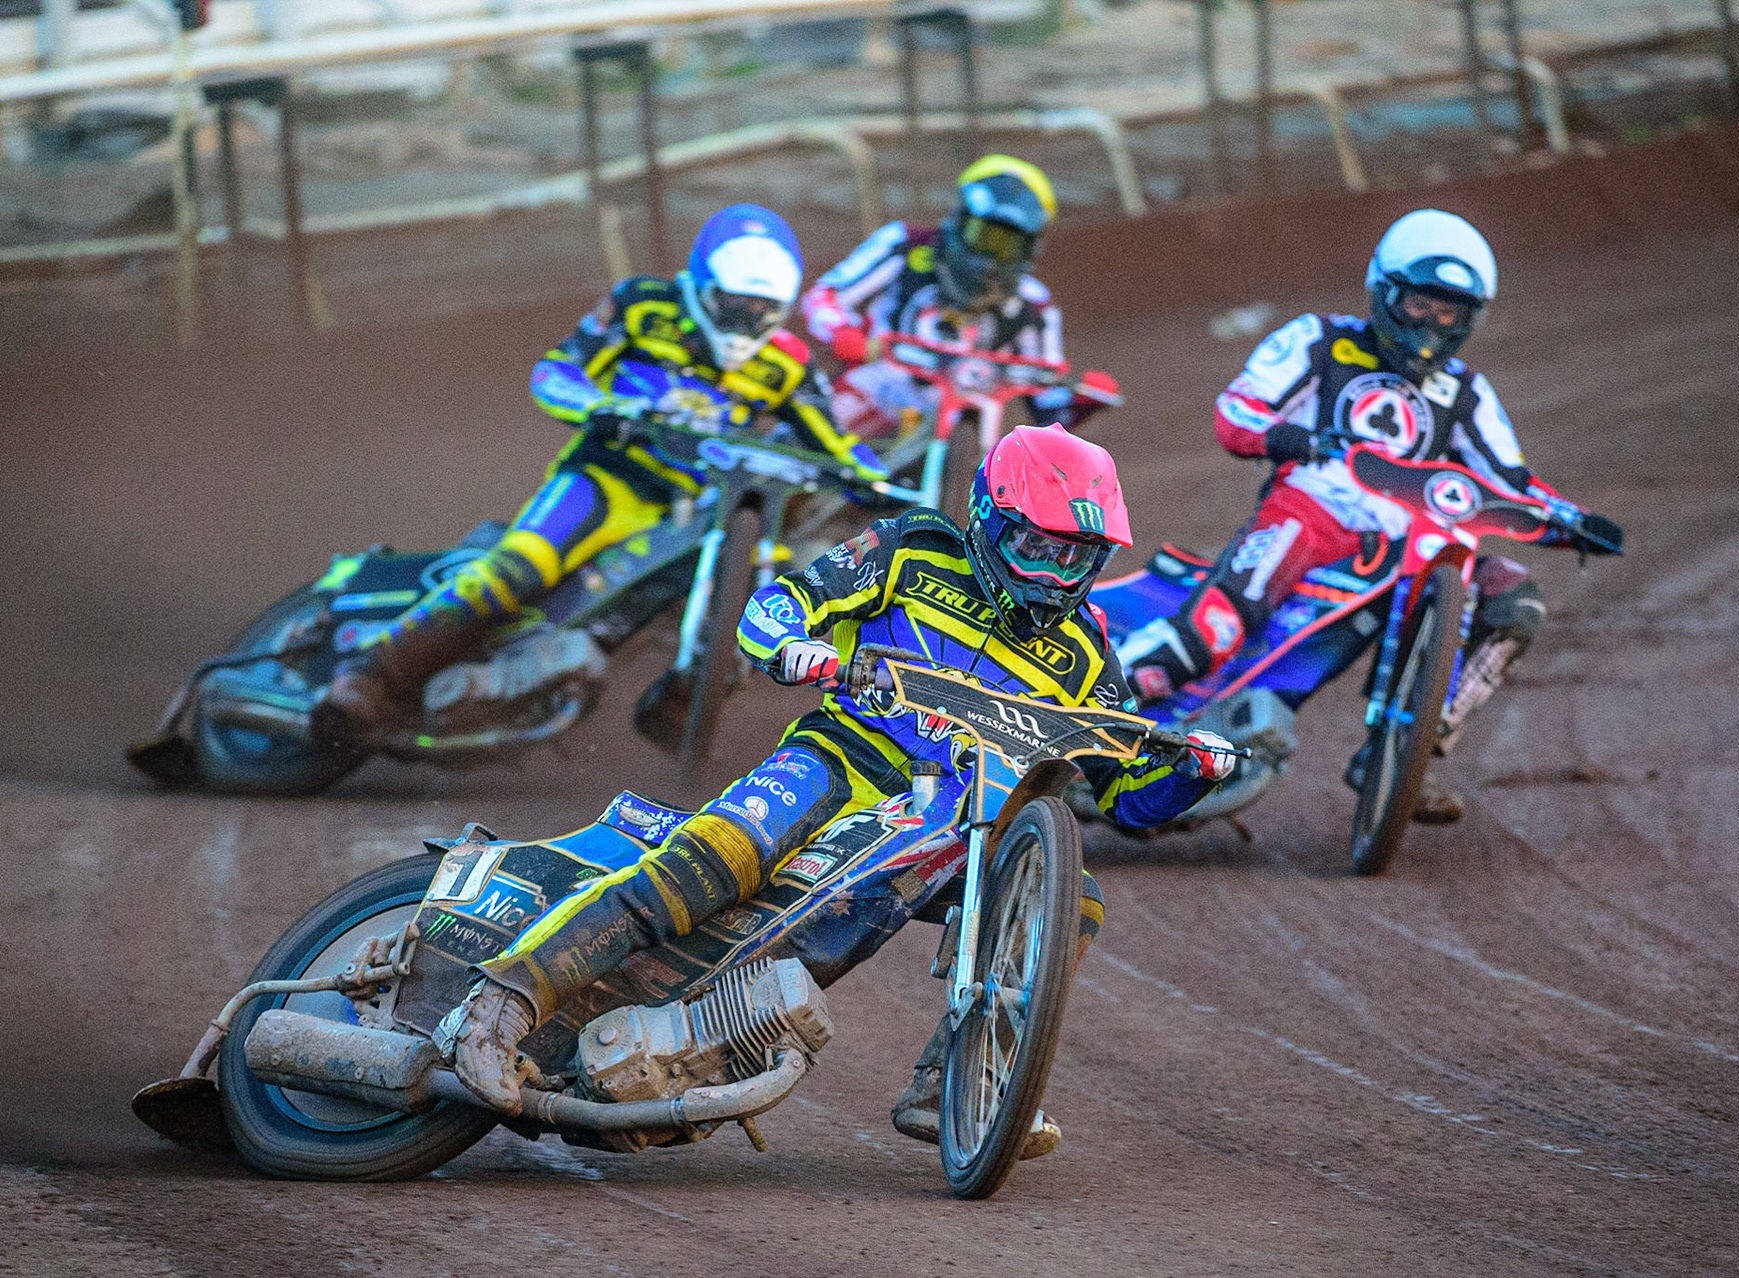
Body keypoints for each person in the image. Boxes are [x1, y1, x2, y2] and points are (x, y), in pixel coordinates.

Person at [443, 424, 1243, 1159]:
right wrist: (799, 651)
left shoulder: (1085, 653)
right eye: (1041, 547)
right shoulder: (913, 549)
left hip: (947, 821)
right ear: (992, 522)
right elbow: (777, 606)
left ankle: (955, 1084)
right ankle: (502, 1002)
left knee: (1076, 897)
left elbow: (1129, 796)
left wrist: (1189, 773)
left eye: (1078, 557)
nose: (1057, 575)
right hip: (838, 759)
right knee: (726, 856)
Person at [1115, 210, 1623, 821]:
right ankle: (1089, 707)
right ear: (1385, 291)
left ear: (1470, 319)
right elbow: (1236, 412)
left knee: (1517, 602)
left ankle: (1410, 750)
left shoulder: (1467, 392)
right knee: (1215, 632)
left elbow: (1508, 482)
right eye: (1419, 304)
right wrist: (1298, 440)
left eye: (1449, 312)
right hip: (1307, 515)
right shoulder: (1320, 340)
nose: (1431, 325)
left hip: (1411, 548)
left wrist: (1574, 521)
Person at [316, 205, 885, 743]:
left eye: (762, 310)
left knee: (691, 600)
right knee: (517, 571)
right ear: (703, 285)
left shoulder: (786, 362)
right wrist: (602, 406)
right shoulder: (642, 305)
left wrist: (881, 485)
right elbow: (555, 370)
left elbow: (837, 443)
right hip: (606, 478)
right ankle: (369, 677)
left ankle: (672, 702)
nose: (747, 321)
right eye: (735, 305)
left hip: (688, 513)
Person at [803, 154, 1115, 441]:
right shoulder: (906, 245)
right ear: (960, 218)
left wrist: (1083, 401)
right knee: (813, 438)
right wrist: (843, 331)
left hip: (960, 425)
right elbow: (826, 295)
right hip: (878, 386)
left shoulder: (1033, 306)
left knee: (1003, 467)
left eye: (1007, 245)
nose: (990, 257)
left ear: (1029, 248)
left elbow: (1048, 403)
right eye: (983, 235)